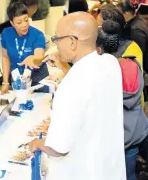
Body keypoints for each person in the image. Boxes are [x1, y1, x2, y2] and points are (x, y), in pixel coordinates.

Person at [29, 12, 126, 180]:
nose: (56, 45)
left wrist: (39, 144)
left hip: (82, 170)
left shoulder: (71, 84)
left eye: (57, 39)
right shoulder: (111, 63)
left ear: (72, 42)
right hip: (108, 165)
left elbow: (59, 147)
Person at [96, 20, 148, 180]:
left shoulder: (104, 74)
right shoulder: (133, 63)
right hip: (134, 132)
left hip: (113, 136)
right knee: (130, 174)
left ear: (99, 49)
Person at [0, 2, 47, 94]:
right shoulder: (6, 34)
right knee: (19, 105)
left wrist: (32, 58)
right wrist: (5, 82)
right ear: (12, 23)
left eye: (26, 20)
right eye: (19, 22)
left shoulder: (38, 35)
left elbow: (40, 57)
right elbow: (5, 57)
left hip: (37, 80)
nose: (24, 25)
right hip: (17, 79)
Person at [117, 0, 148, 79]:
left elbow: (137, 54)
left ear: (127, 13)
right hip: (147, 63)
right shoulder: (139, 19)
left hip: (143, 70)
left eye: (119, 13)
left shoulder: (135, 30)